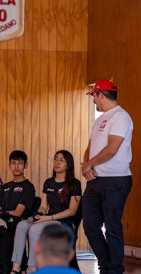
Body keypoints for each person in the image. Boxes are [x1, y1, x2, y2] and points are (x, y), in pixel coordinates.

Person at [81, 79, 133, 274]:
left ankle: (115, 270)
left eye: (93, 96)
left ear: (100, 95)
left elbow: (112, 149)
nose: (93, 101)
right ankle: (105, 265)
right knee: (90, 227)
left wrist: (89, 164)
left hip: (116, 180)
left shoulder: (121, 117)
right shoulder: (98, 120)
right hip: (95, 182)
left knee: (112, 228)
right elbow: (90, 148)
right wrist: (87, 167)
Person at [11, 150, 82, 273]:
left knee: (34, 229)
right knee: (22, 225)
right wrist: (38, 215)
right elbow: (43, 207)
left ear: (68, 164)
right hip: (49, 218)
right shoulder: (48, 182)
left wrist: (48, 218)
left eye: (61, 160)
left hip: (65, 222)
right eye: (55, 159)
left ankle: (32, 267)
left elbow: (72, 211)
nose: (57, 162)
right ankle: (15, 268)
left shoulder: (74, 184)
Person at [0, 150, 35, 274]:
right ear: (9, 165)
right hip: (1, 218)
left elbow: (18, 212)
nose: (16, 166)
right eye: (13, 163)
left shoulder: (28, 187)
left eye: (20, 163)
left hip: (17, 221)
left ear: (26, 165)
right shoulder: (6, 187)